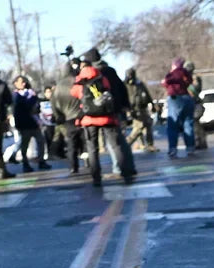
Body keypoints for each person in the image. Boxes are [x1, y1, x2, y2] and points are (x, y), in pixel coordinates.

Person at [72, 54, 135, 187]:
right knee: (116, 145)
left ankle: (96, 177)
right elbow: (109, 91)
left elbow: (74, 94)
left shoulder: (79, 81)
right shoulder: (102, 78)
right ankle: (125, 173)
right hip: (107, 117)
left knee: (92, 149)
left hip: (89, 119)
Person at [51, 61, 85, 173]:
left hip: (67, 117)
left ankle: (73, 167)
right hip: (81, 115)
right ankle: (90, 162)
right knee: (85, 140)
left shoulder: (58, 87)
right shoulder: (78, 81)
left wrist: (58, 116)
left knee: (71, 143)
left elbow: (54, 103)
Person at [11, 76, 49, 172]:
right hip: (24, 124)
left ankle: (41, 161)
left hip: (33, 122)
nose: (23, 84)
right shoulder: (16, 95)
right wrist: (32, 98)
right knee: (24, 144)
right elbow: (24, 106)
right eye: (21, 82)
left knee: (40, 141)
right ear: (15, 83)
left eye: (24, 82)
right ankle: (25, 163)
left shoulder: (30, 92)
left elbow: (36, 106)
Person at [163, 58, 195, 157]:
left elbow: (166, 82)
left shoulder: (172, 74)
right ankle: (190, 148)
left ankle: (173, 148)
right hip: (187, 98)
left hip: (175, 99)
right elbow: (189, 82)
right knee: (188, 123)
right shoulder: (186, 73)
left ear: (175, 65)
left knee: (173, 125)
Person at [125, 69, 157, 152]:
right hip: (133, 109)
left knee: (148, 125)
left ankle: (149, 144)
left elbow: (147, 94)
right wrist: (128, 109)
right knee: (138, 127)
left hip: (143, 108)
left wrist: (152, 105)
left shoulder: (139, 84)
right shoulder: (125, 85)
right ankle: (127, 143)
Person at [187, 60, 207, 150]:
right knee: (196, 124)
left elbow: (195, 90)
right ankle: (199, 142)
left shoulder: (193, 79)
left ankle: (199, 142)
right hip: (194, 103)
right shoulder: (190, 78)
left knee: (195, 124)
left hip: (195, 104)